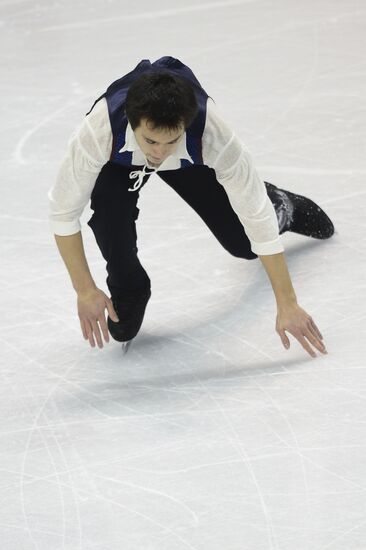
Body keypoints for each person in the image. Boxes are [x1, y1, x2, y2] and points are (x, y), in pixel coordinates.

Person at [48, 56, 334, 357]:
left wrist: (287, 303)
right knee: (108, 213)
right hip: (120, 162)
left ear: (185, 126)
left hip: (189, 160)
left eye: (169, 142)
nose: (158, 154)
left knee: (245, 244)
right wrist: (85, 289)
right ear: (133, 125)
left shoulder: (212, 136)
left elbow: (255, 214)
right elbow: (63, 213)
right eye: (151, 141)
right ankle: (130, 287)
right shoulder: (100, 131)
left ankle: (282, 204)